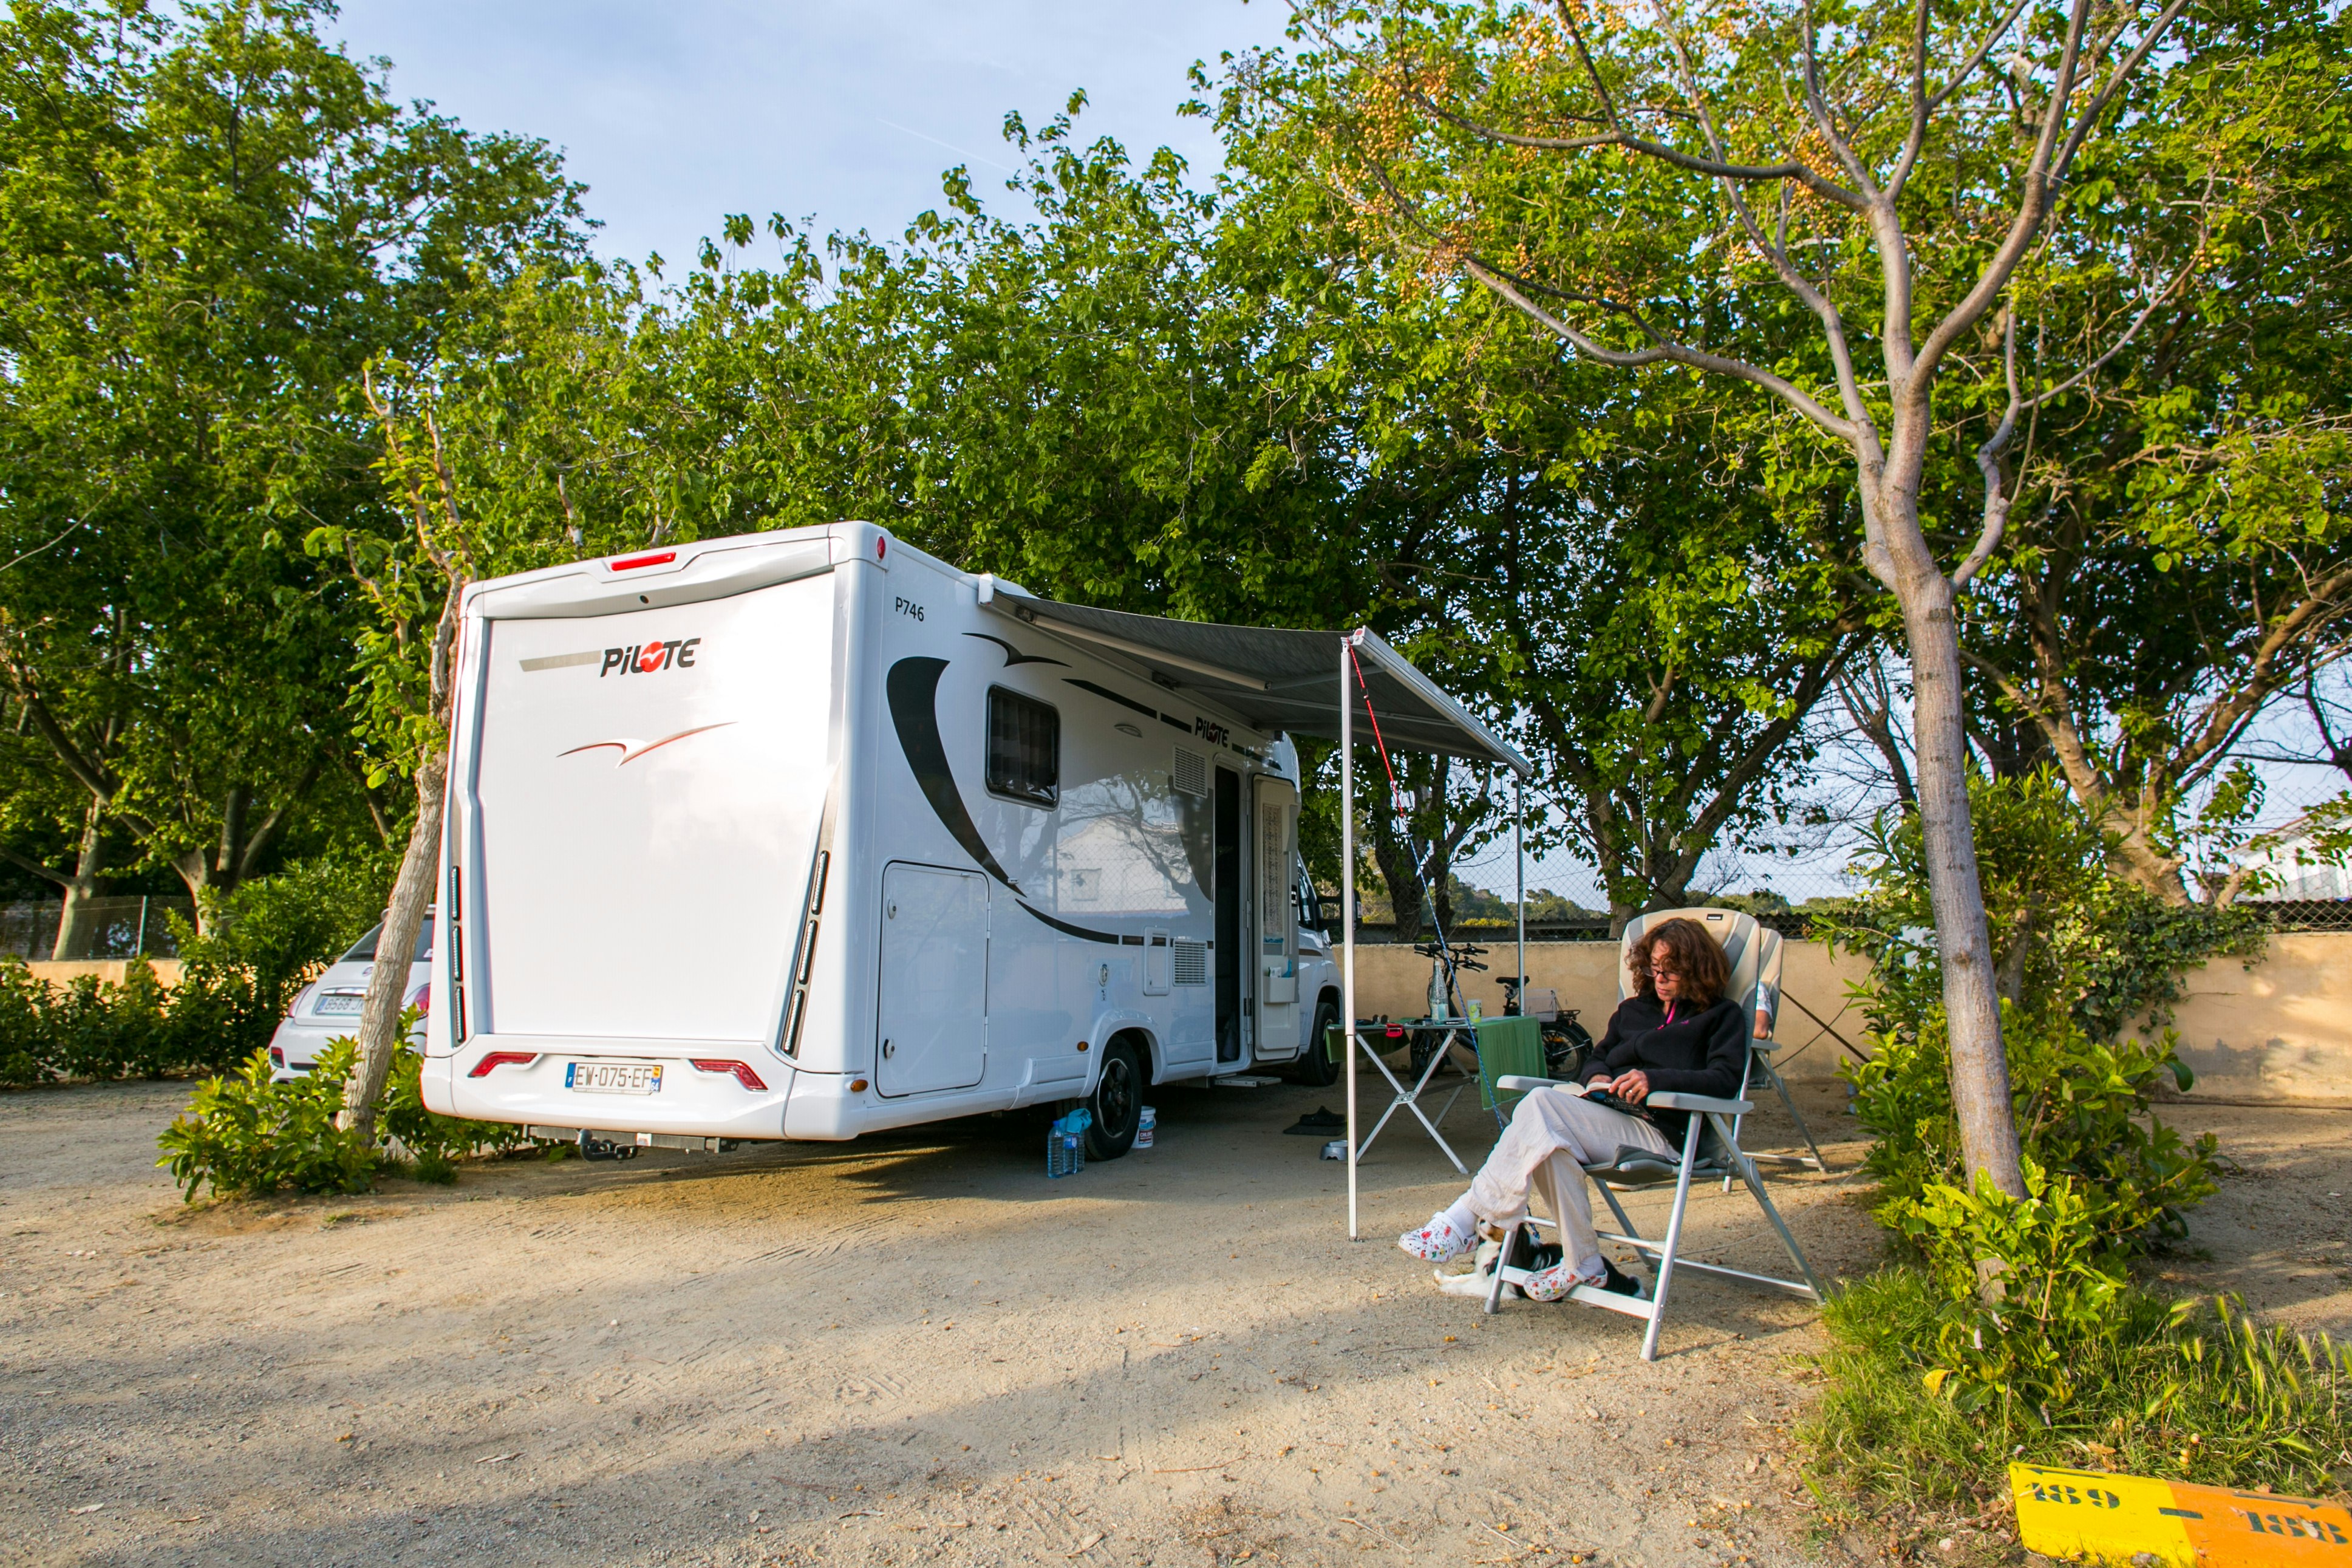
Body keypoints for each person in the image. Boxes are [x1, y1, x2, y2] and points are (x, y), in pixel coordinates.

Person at [1397, 916, 1750, 1301]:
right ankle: (1585, 1264)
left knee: (1541, 1104)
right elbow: (1598, 1058)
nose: (1661, 978)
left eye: (1672, 970)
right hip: (1610, 1116)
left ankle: (1469, 1216)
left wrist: (1656, 1080)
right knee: (1548, 1147)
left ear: (1698, 967)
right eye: (1654, 967)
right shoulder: (1634, 1011)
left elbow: (1725, 1079)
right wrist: (1597, 1079)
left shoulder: (1722, 1016)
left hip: (1664, 1132)